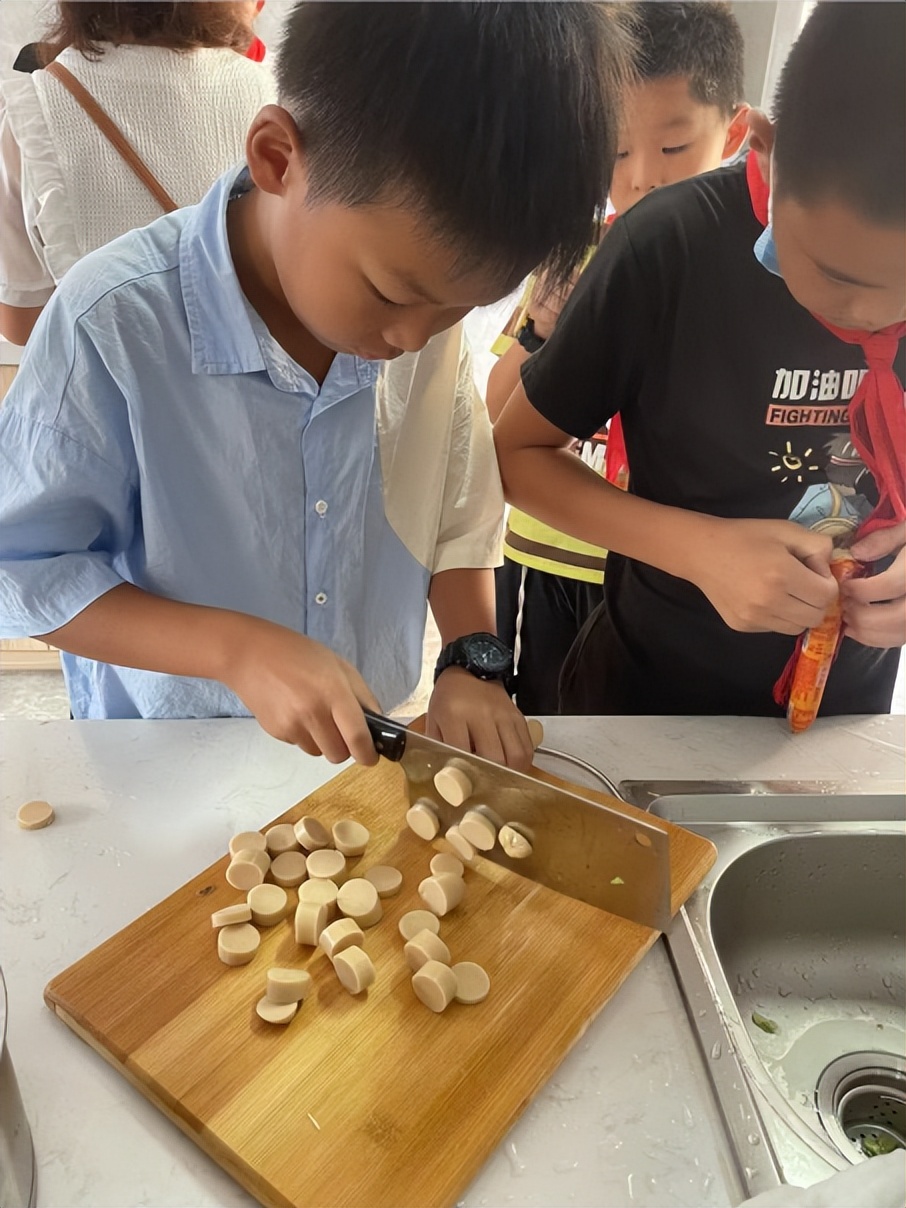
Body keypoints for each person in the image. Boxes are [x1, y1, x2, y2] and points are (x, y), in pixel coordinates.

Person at [0, 2, 631, 769]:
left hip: (359, 750)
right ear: (276, 157)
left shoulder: (418, 329)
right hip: (159, 759)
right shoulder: (113, 325)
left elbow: (456, 508)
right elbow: (28, 566)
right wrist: (236, 649)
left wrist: (471, 659)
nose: (410, 340)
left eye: (459, 310)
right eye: (392, 295)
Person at [494, 1, 905, 720]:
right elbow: (518, 451)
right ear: (768, 152)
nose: (875, 318)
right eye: (841, 278)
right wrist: (699, 550)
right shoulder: (667, 247)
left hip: (849, 710)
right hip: (653, 698)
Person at [487, 2, 748, 714]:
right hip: (545, 556)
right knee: (546, 737)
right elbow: (494, 414)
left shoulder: (731, 273)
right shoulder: (573, 256)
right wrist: (540, 330)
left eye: (672, 149)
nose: (641, 179)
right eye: (615, 151)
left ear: (735, 133)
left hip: (655, 576)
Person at [0, 0, 274, 345]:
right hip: (256, 391)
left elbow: (21, 323)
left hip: (101, 391)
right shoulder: (281, 97)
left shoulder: (32, 109)